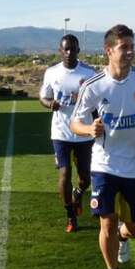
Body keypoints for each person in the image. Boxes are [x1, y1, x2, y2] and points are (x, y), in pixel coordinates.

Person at [71, 24, 135, 269]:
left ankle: (123, 238)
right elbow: (75, 122)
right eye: (125, 47)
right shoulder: (94, 85)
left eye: (132, 46)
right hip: (104, 164)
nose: (131, 51)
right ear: (109, 51)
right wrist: (89, 130)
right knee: (106, 222)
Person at [39, 35, 97, 232]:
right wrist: (50, 104)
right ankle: (70, 215)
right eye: (66, 49)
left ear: (78, 50)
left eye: (73, 49)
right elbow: (43, 97)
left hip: (83, 133)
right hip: (61, 133)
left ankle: (78, 194)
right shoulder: (52, 72)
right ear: (60, 51)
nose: (69, 53)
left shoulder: (89, 73)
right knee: (65, 173)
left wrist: (99, 127)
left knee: (85, 178)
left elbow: (98, 103)